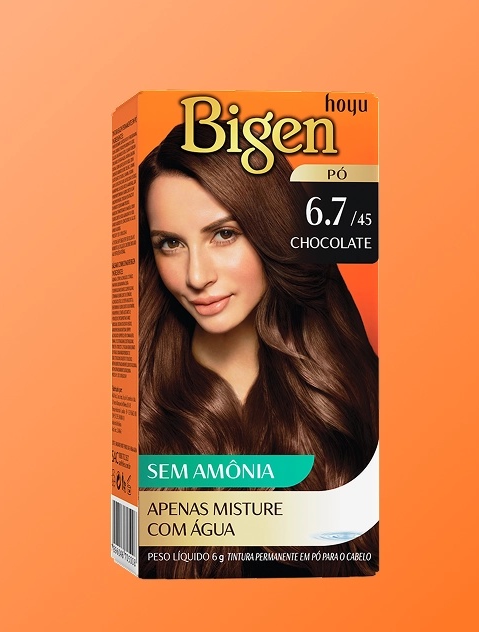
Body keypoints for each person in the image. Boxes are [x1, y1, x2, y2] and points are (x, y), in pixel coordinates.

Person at [138, 122, 379, 578]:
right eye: (171, 243)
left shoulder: (356, 388)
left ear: (273, 230)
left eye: (223, 234)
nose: (196, 276)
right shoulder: (136, 400)